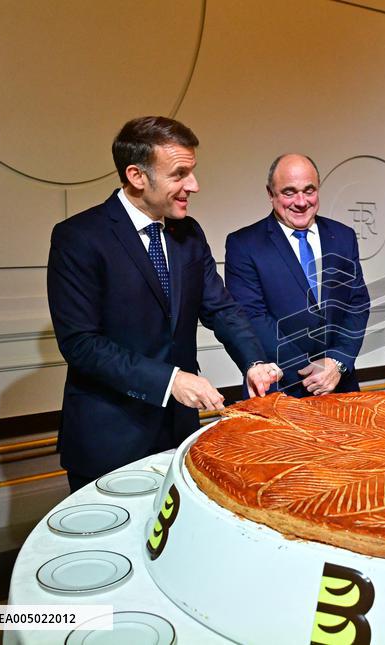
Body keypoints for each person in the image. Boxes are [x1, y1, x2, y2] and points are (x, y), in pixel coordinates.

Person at [47, 116, 281, 492]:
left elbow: (221, 308)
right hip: (109, 436)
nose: (194, 185)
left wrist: (254, 362)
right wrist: (170, 380)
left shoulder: (189, 233)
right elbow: (81, 344)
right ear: (138, 176)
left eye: (193, 172)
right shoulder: (78, 238)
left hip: (178, 432)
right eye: (180, 174)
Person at [225, 153, 370, 397]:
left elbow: (357, 304)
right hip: (280, 387)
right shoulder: (244, 244)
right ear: (271, 194)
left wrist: (336, 362)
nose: (301, 201)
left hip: (339, 383)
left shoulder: (343, 236)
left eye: (309, 190)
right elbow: (252, 317)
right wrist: (310, 372)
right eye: (289, 192)